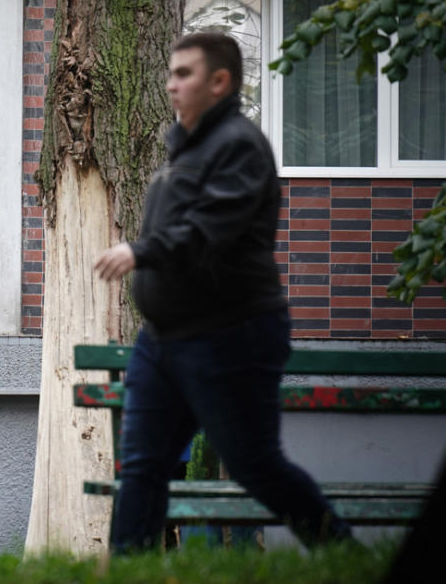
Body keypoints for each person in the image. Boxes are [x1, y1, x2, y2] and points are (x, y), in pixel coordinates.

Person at [93, 32, 353, 552]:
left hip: (230, 333)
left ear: (220, 81)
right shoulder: (185, 148)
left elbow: (210, 230)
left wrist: (141, 252)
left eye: (184, 74)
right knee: (142, 466)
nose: (171, 85)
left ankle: (342, 554)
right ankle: (128, 570)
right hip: (164, 338)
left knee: (256, 466)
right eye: (170, 73)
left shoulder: (238, 146)